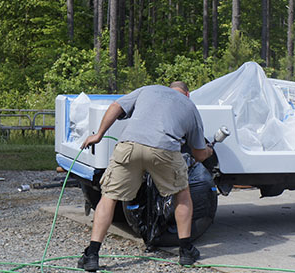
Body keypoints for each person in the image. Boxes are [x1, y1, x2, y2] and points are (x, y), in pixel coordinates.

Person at [77, 81, 214, 271]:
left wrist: (99, 134)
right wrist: (209, 151)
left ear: (168, 87)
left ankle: (92, 255)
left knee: (109, 196)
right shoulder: (190, 106)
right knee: (182, 194)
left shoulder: (148, 90)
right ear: (187, 94)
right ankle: (185, 252)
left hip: (129, 145)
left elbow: (116, 106)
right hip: (164, 149)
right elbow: (198, 154)